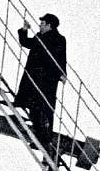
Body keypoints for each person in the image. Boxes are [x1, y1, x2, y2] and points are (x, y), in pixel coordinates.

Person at [14, 14, 66, 147]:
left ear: (49, 25)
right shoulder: (39, 36)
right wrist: (24, 30)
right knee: (33, 107)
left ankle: (45, 139)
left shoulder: (58, 39)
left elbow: (61, 57)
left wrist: (61, 73)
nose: (39, 25)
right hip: (33, 77)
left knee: (44, 109)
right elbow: (26, 43)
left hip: (47, 79)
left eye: (42, 23)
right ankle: (40, 138)